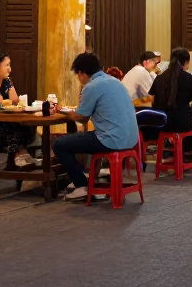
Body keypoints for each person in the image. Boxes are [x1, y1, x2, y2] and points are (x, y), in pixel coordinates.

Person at [54, 52, 141, 201]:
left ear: (81, 73)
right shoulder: (114, 81)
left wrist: (60, 110)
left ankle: (82, 185)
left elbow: (81, 118)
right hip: (132, 139)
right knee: (84, 139)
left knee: (59, 144)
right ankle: (86, 180)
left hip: (111, 139)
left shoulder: (92, 86)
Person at [144, 47, 192, 159]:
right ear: (186, 62)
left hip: (162, 122)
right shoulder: (188, 78)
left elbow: (152, 99)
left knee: (188, 117)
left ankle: (181, 148)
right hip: (183, 121)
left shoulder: (159, 77)